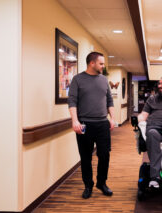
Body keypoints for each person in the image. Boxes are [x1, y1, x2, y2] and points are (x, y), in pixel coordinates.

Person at [68, 51, 115, 199]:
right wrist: (74, 120)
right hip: (84, 124)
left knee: (104, 155)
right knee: (86, 157)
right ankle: (88, 185)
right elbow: (72, 101)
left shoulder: (104, 80)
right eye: (101, 63)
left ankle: (102, 183)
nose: (103, 66)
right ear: (92, 63)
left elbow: (109, 100)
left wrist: (112, 118)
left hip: (102, 124)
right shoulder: (78, 79)